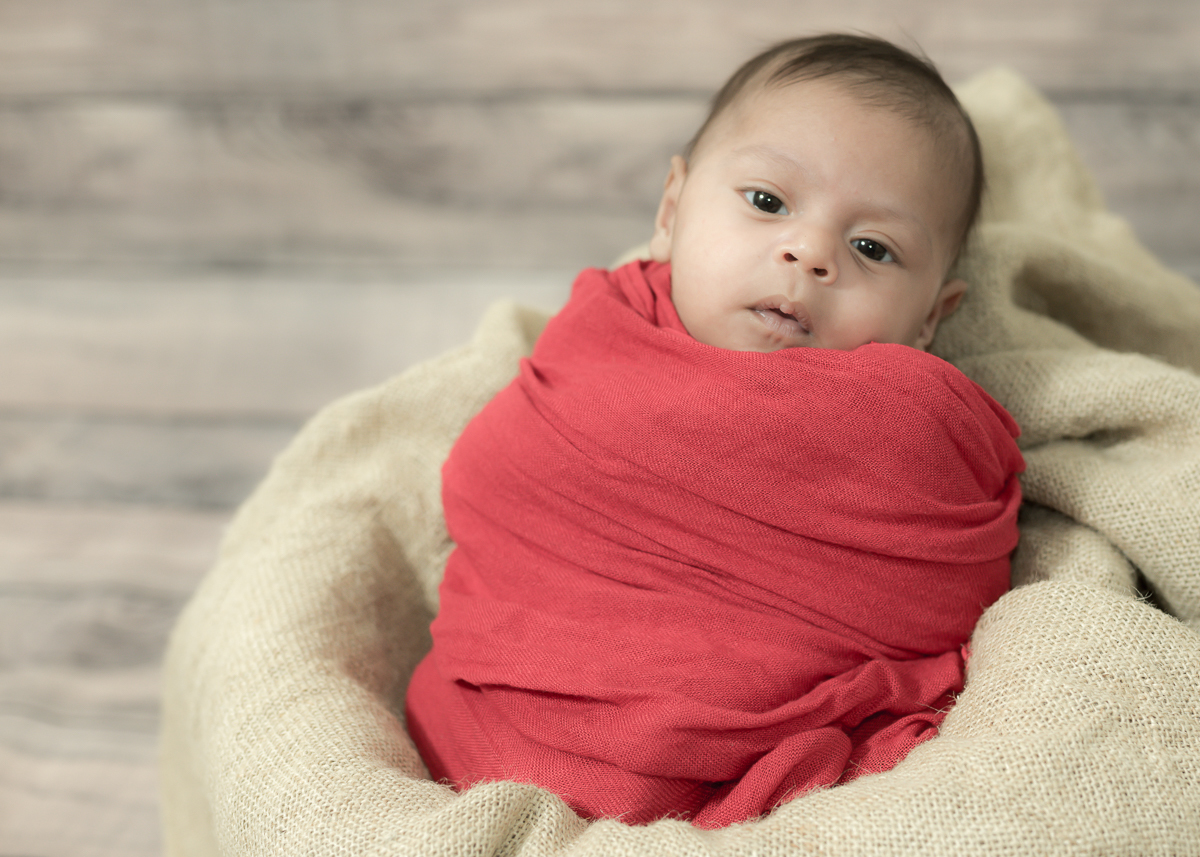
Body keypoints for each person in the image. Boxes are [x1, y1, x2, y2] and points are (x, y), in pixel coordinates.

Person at [405, 33, 1025, 829]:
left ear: (931, 319)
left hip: (740, 775)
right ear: (670, 214)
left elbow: (937, 587)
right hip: (496, 723)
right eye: (768, 202)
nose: (808, 253)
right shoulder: (602, 330)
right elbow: (499, 480)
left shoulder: (911, 417)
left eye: (872, 247)